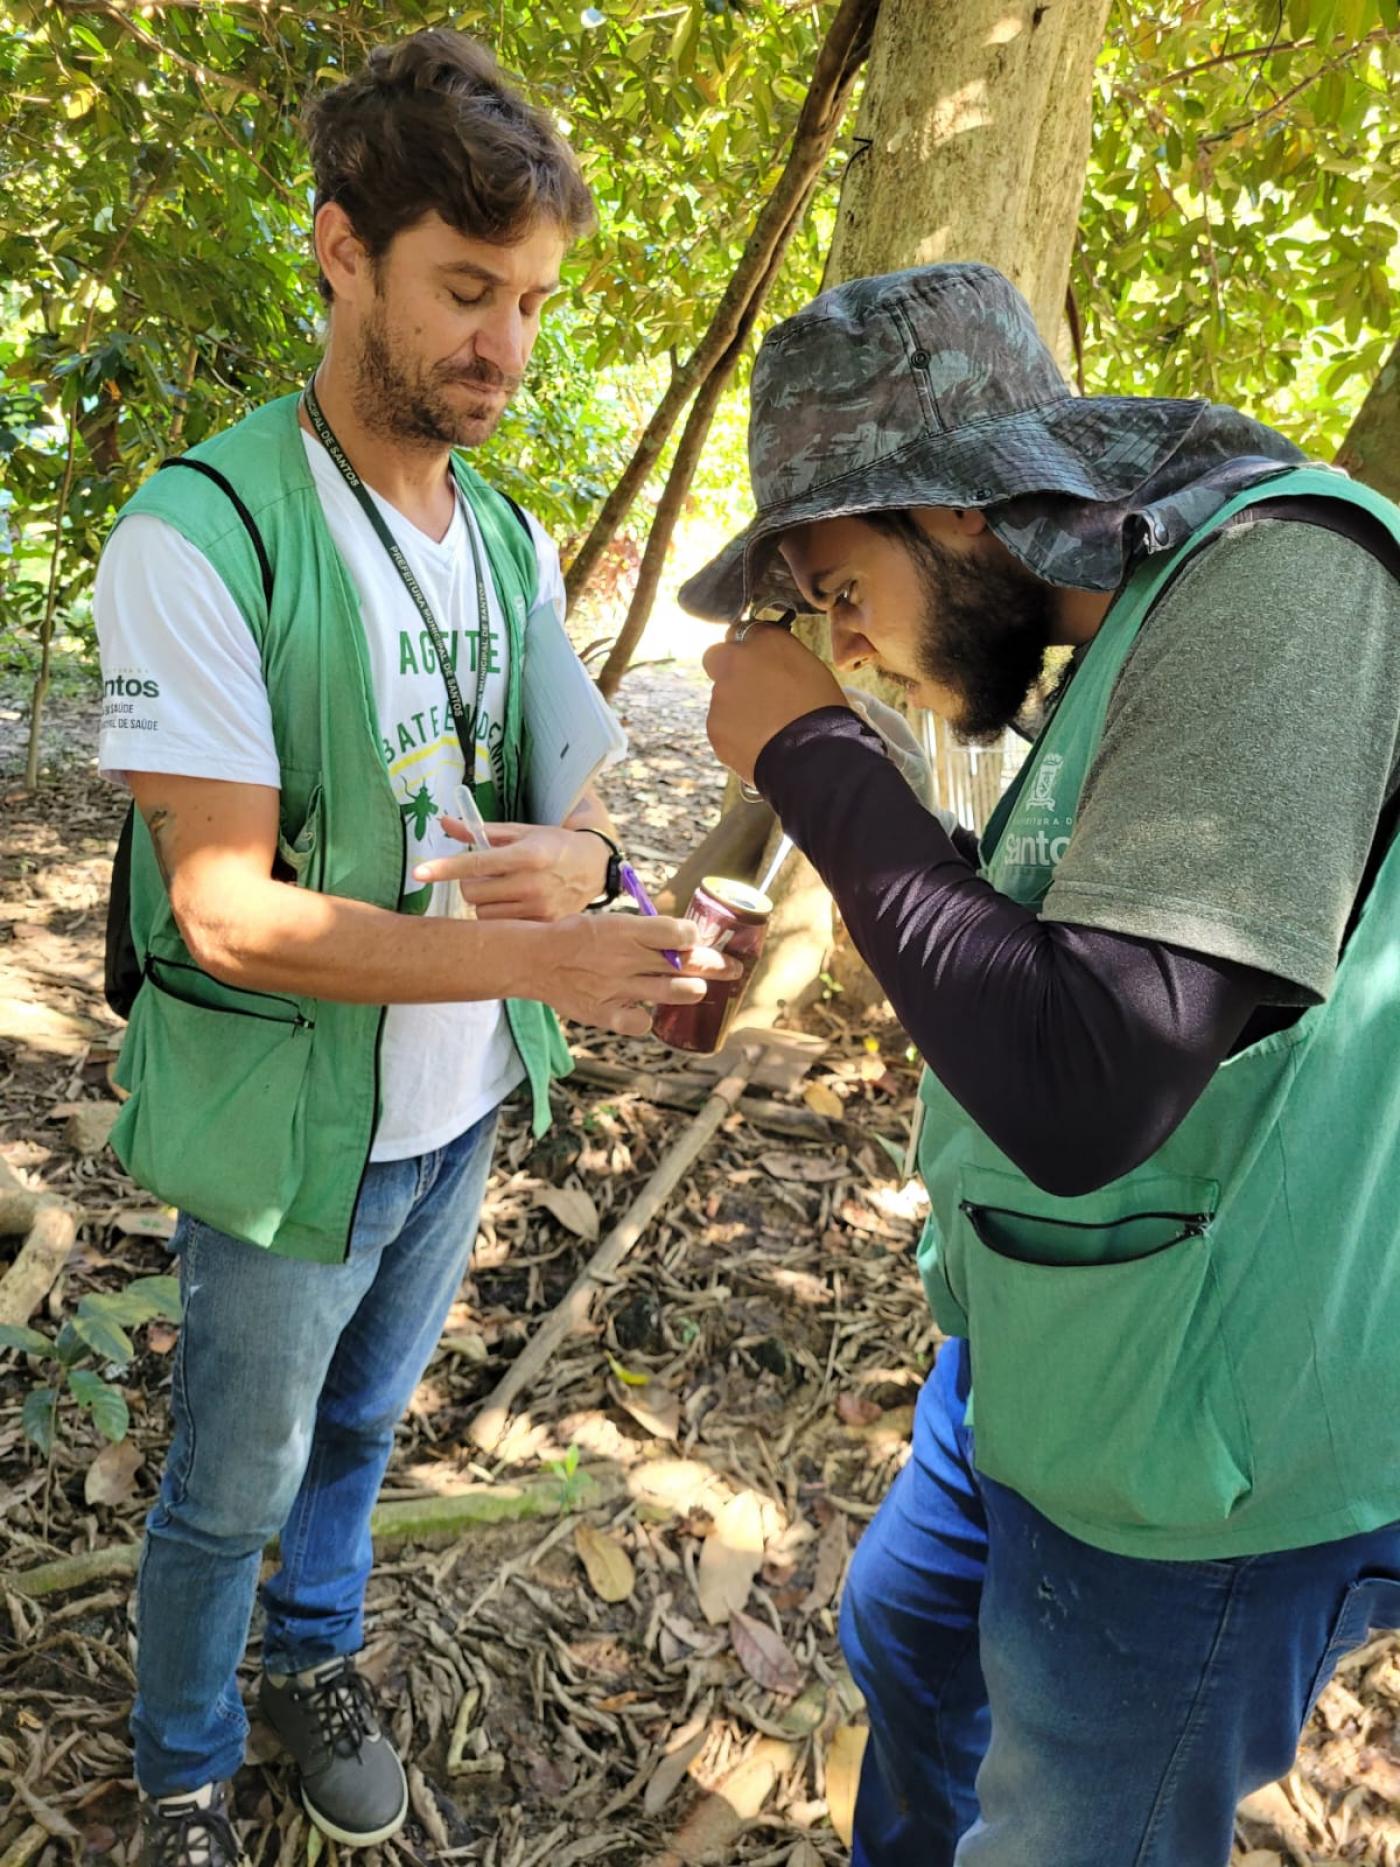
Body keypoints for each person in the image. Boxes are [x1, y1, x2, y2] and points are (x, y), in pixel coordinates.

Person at [94, 32, 725, 1867]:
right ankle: (186, 1755)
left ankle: (314, 1663)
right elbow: (225, 909)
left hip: (450, 1111)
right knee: (227, 1484)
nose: (505, 349)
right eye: (466, 291)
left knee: (363, 1431)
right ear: (339, 252)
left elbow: (584, 784)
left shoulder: (509, 540)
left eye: (528, 303)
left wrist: (578, 857)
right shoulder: (204, 535)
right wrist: (548, 964)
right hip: (291, 1130)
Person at [688, 260, 1400, 1866]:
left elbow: (1092, 1083)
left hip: (1208, 1459)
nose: (845, 646)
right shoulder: (1140, 614)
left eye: (837, 585)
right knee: (909, 1645)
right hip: (1050, 1360)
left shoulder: (1290, 583)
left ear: (950, 507)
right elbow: (1056, 960)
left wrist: (810, 755)